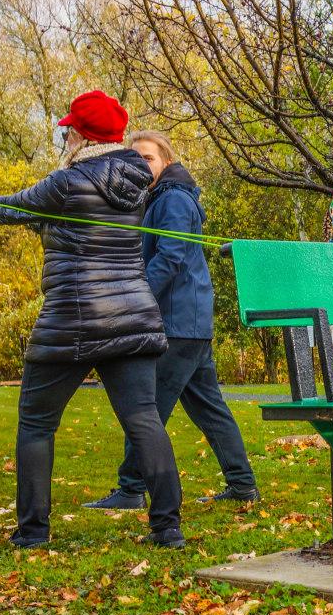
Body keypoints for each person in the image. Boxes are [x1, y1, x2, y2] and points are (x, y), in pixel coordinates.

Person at [0, 90, 186, 548]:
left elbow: (13, 207)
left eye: (71, 127)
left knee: (36, 422)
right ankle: (167, 527)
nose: (67, 133)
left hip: (74, 317)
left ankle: (32, 532)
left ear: (82, 134)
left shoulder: (67, 181)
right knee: (143, 418)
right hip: (131, 315)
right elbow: (70, 226)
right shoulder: (138, 181)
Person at [82, 130, 260, 510]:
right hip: (190, 323)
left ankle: (131, 489)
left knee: (144, 409)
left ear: (166, 160)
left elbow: (171, 257)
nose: (142, 165)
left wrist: (136, 297)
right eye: (136, 159)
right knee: (210, 409)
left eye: (148, 158)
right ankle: (243, 485)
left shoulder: (174, 198)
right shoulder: (160, 197)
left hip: (178, 322)